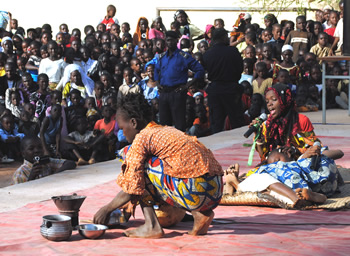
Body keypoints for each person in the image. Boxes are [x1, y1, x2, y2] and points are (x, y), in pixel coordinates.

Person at [93, 93, 223, 238]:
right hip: (215, 190)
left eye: (123, 128)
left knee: (139, 170)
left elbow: (132, 187)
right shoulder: (164, 129)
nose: (123, 134)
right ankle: (200, 214)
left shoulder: (142, 138)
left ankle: (151, 226)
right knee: (163, 167)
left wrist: (107, 209)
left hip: (197, 191)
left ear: (134, 123)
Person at [250, 83, 320, 161]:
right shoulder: (267, 124)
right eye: (267, 102)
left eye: (274, 100)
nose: (270, 104)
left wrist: (295, 150)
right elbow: (264, 157)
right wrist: (258, 136)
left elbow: (314, 148)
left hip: (299, 164)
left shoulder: (301, 120)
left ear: (285, 100)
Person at [154, 31, 205, 132]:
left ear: (176, 41)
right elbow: (156, 70)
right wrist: (157, 83)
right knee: (164, 125)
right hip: (164, 93)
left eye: (172, 40)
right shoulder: (162, 57)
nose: (169, 43)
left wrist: (187, 85)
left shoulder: (183, 57)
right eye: (167, 40)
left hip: (177, 92)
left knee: (179, 124)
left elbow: (200, 70)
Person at [202, 28, 244, 133]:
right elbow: (240, 68)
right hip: (231, 89)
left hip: (215, 90)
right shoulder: (233, 51)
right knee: (236, 122)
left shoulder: (207, 54)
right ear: (223, 37)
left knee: (216, 123)